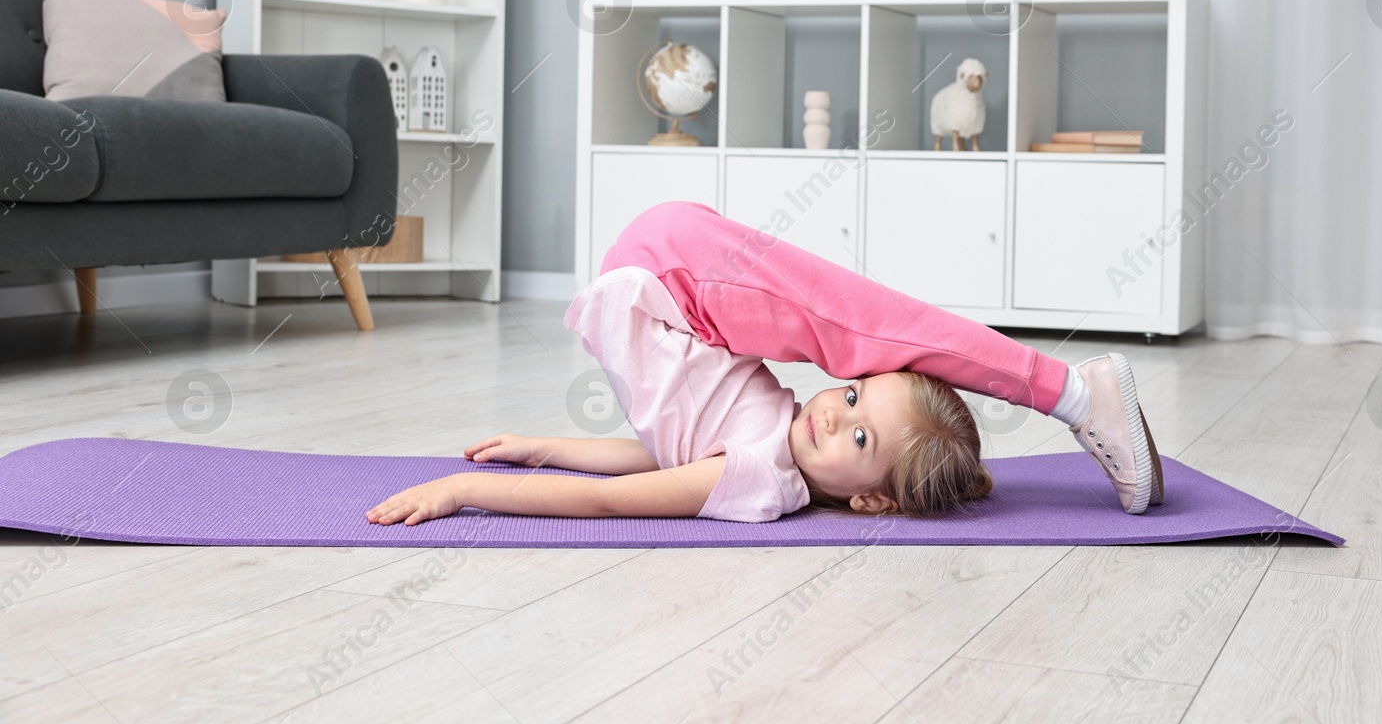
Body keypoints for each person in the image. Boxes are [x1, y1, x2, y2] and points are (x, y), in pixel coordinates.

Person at [367, 202, 1162, 527]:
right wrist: (542, 450)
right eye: (852, 399)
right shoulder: (777, 439)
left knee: (873, 326)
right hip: (671, 273)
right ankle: (1069, 391)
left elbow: (642, 484)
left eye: (857, 440)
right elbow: (670, 464)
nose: (834, 412)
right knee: (873, 329)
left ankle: (1067, 391)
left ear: (873, 500)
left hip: (666, 270)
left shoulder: (763, 478)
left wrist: (488, 480)